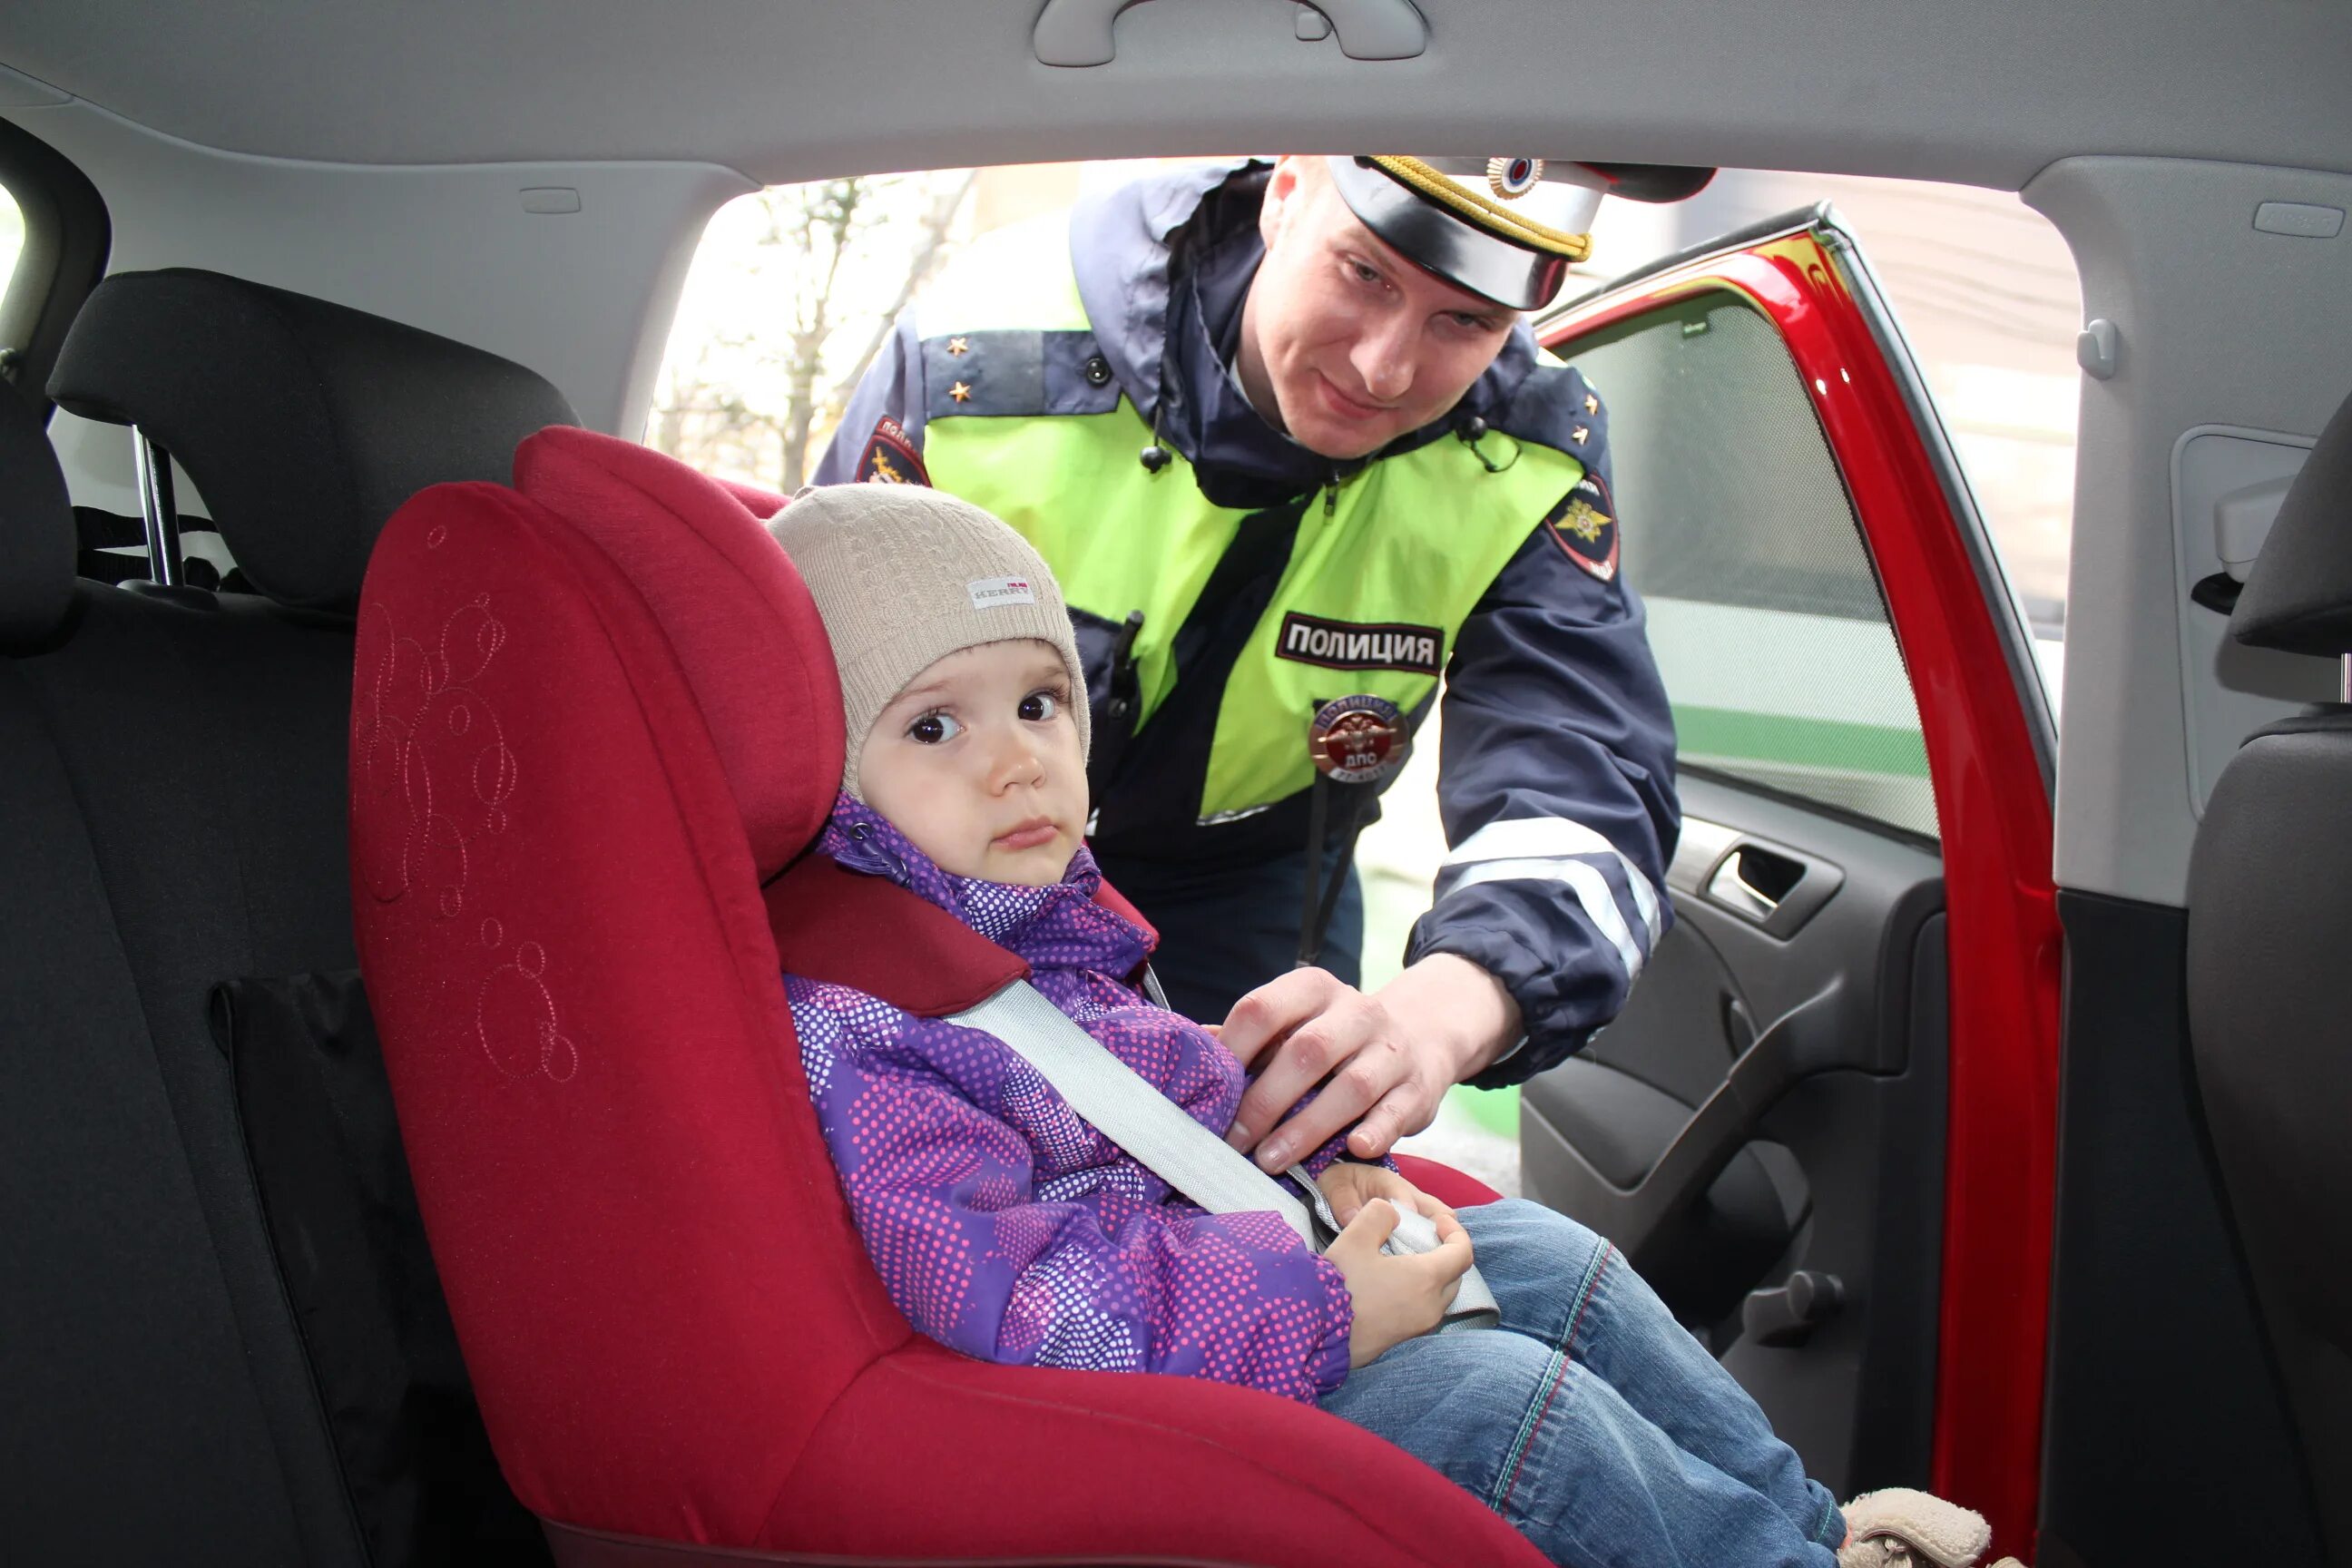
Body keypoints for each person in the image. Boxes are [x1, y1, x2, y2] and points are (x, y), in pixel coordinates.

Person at [765, 484, 2022, 1568]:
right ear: (823, 767)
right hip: (1139, 1384)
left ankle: (1819, 1537)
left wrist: (1308, 1169)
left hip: (1218, 1279)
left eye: (1040, 704)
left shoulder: (1030, 921)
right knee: (1499, 1403)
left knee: (1548, 1257)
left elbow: (1131, 1115)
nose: (1018, 763)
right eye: (934, 726)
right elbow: (998, 1291)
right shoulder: (870, 1021)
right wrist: (1317, 1305)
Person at [816, 153, 1695, 1175]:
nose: (1385, 369)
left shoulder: (1533, 453)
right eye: (1365, 273)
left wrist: (1440, 1012)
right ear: (1287, 193)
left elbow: (1583, 777)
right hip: (934, 868)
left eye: (1466, 323)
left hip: (1253, 883)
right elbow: (808, 697)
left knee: (1273, 1208)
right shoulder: (978, 357)